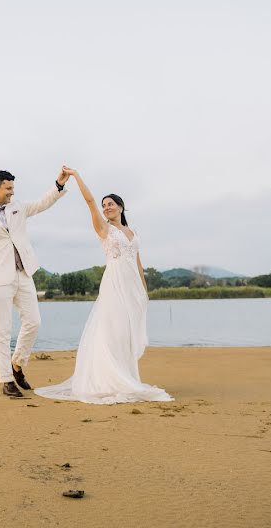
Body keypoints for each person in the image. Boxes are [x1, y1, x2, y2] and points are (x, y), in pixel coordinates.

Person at [34, 167, 173, 404]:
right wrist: (76, 176)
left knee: (126, 333)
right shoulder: (103, 228)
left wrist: (144, 290)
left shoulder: (132, 231)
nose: (106, 207)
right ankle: (109, 378)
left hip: (132, 288)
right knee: (113, 328)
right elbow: (89, 200)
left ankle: (126, 375)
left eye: (110, 204)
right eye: (104, 205)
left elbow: (138, 263)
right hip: (114, 283)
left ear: (120, 207)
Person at [0, 168, 69, 397]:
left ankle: (17, 364)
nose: (12, 192)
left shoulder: (18, 208)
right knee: (2, 330)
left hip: (24, 274)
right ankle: (7, 381)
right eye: (8, 188)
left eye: (13, 188)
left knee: (34, 321)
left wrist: (58, 185)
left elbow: (42, 203)